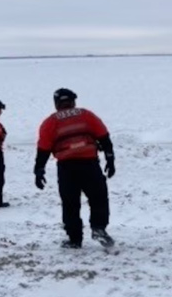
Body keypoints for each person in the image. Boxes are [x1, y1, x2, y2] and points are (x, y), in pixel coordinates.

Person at [33, 88, 116, 249]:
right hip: (89, 164)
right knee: (99, 198)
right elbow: (104, 137)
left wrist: (39, 169)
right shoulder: (86, 115)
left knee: (70, 204)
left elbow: (43, 148)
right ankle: (98, 228)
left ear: (56, 103)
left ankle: (74, 239)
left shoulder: (50, 122)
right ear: (73, 101)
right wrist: (110, 159)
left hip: (67, 168)